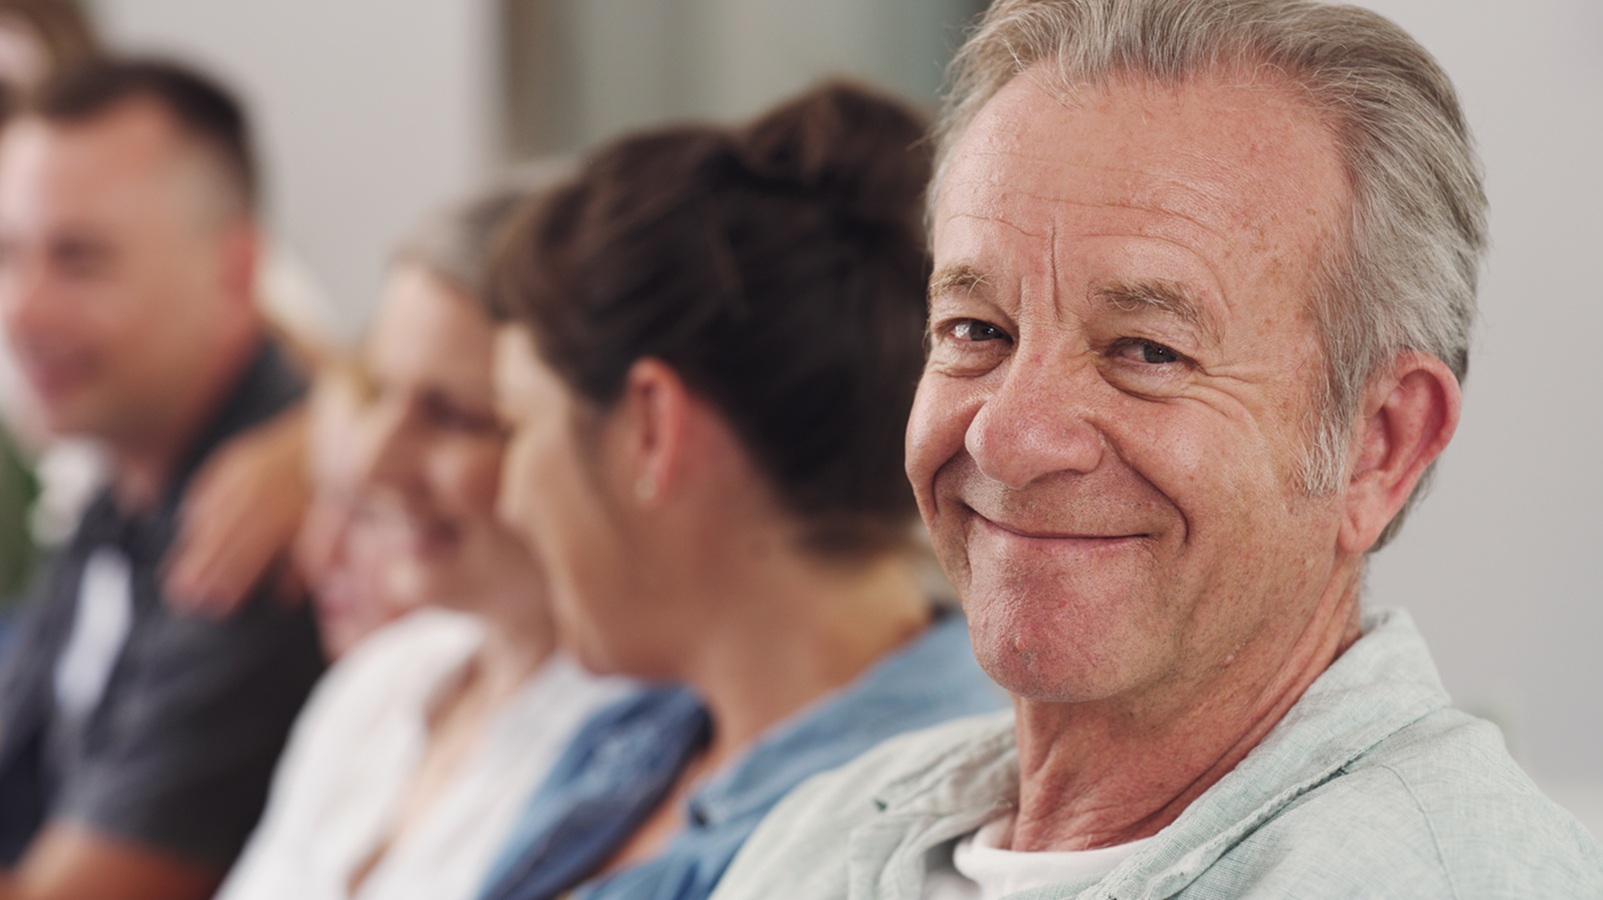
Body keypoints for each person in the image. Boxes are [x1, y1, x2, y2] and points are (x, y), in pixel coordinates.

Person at [711, 1, 1603, 897]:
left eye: (1145, 351)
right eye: (976, 329)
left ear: (1380, 444)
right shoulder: (831, 828)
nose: (1010, 438)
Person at [480, 81, 1004, 900]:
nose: (508, 497)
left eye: (517, 425)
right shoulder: (634, 736)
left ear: (650, 426)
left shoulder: (903, 855)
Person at [216, 183, 631, 900]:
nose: (377, 461)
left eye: (454, 417)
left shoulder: (633, 749)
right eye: (379, 391)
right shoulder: (382, 682)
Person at [0, 59, 325, 899]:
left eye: (80, 261)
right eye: (8, 253)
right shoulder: (125, 471)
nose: (22, 311)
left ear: (234, 273)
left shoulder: (260, 531)